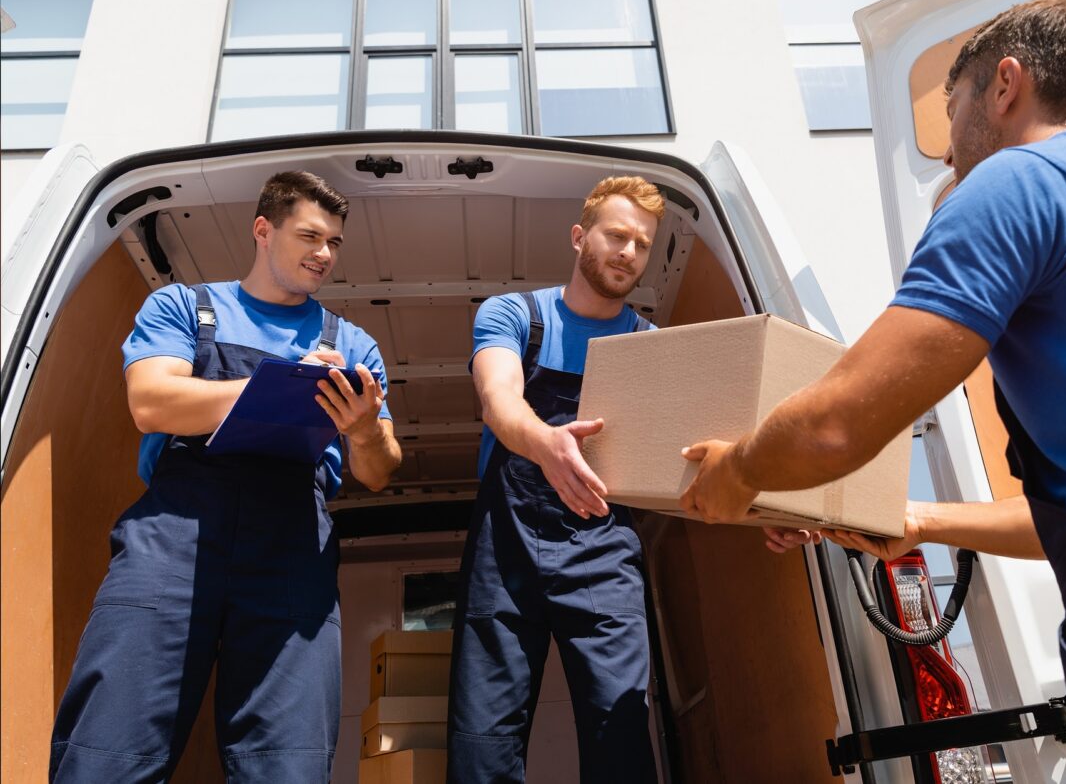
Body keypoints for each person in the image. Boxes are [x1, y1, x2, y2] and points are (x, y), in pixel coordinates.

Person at [679, 0, 1066, 783]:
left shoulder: (1017, 179)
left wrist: (738, 474)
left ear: (1004, 87)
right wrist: (919, 517)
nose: (952, 149)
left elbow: (839, 422)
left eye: (951, 109)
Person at [49, 171, 403, 782]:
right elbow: (152, 402)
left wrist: (365, 428)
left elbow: (378, 470)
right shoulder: (186, 306)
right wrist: (283, 384)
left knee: (287, 763)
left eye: (335, 243)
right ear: (263, 230)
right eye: (310, 236)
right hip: (175, 537)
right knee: (108, 745)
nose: (325, 254)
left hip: (292, 545)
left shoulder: (352, 342)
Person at [447, 176, 663, 783]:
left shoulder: (651, 347)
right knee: (482, 739)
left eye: (642, 244)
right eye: (617, 235)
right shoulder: (516, 314)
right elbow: (498, 400)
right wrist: (545, 443)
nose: (628, 252)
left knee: (620, 732)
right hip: (505, 553)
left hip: (602, 555)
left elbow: (690, 456)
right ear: (579, 237)